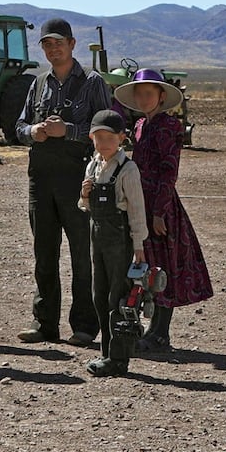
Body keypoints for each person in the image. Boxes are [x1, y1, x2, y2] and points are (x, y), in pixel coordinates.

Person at [14, 18, 111, 346]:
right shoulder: (38, 84)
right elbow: (19, 126)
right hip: (40, 179)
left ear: (72, 44)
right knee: (44, 252)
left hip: (79, 179)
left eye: (59, 42)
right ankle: (45, 324)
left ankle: (85, 326)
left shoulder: (92, 82)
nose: (53, 48)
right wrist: (34, 132)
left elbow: (106, 130)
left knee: (82, 254)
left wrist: (67, 131)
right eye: (47, 44)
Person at [113, 69, 213, 352]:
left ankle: (160, 333)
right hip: (140, 203)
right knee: (145, 268)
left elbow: (169, 171)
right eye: (140, 94)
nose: (144, 98)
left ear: (160, 96)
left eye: (149, 93)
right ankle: (150, 327)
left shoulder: (168, 127)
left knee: (161, 268)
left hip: (160, 206)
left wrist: (159, 212)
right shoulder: (142, 125)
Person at [79, 110, 148, 377]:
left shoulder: (127, 169)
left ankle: (119, 358)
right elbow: (85, 206)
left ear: (121, 138)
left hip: (120, 240)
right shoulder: (93, 165)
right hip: (97, 236)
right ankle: (106, 352)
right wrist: (85, 195)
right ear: (91, 138)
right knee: (99, 295)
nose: (104, 142)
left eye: (110, 137)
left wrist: (139, 245)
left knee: (118, 299)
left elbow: (137, 210)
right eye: (99, 137)